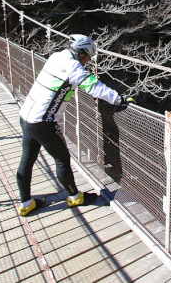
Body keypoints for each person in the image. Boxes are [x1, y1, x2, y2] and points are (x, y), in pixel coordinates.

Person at [16, 34, 134, 216]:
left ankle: (26, 203)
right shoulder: (73, 66)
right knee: (62, 159)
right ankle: (74, 196)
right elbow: (93, 86)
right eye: (88, 57)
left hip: (27, 115)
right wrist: (118, 99)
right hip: (43, 121)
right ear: (82, 53)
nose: (88, 62)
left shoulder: (57, 56)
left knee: (27, 159)